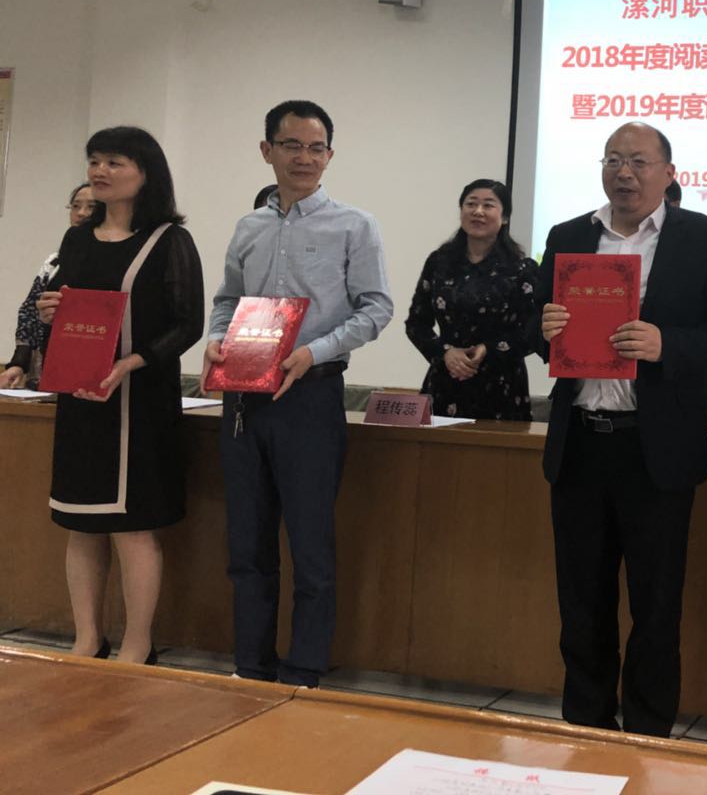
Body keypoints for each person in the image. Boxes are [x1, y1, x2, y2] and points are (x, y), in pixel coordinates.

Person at [532, 122, 707, 736]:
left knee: (656, 607)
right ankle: (586, 729)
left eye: (637, 161)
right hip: (580, 444)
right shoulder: (569, 236)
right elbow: (537, 326)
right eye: (612, 160)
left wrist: (667, 345)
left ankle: (649, 735)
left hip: (656, 450)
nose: (623, 172)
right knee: (582, 602)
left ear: (669, 172)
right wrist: (543, 327)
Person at [206, 100, 393, 687]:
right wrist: (214, 340)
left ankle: (303, 672)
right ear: (267, 151)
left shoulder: (354, 225)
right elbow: (226, 302)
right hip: (244, 398)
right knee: (247, 547)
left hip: (310, 396)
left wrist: (315, 350)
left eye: (316, 148)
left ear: (329, 156)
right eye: (291, 145)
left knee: (311, 550)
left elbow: (376, 309)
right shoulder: (249, 227)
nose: (304, 158)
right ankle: (251, 667)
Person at [36, 129, 204, 665]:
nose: (100, 170)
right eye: (94, 161)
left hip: (140, 400)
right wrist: (49, 312)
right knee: (81, 521)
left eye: (114, 161)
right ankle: (87, 638)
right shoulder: (77, 239)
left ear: (145, 171)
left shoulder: (170, 240)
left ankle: (137, 643)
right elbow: (68, 310)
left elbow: (188, 324)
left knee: (132, 526)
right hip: (82, 395)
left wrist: (132, 362)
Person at [405, 179, 538, 420]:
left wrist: (489, 350)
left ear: (505, 217)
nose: (478, 211)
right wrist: (445, 352)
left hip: (503, 385)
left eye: (488, 205)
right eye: (471, 204)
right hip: (446, 380)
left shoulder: (521, 269)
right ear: (461, 211)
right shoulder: (439, 262)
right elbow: (416, 323)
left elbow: (533, 330)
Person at [2, 182, 96, 389]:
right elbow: (30, 312)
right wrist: (19, 363)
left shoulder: (116, 262)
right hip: (47, 369)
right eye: (75, 206)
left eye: (92, 207)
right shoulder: (54, 262)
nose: (81, 213)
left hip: (93, 369)